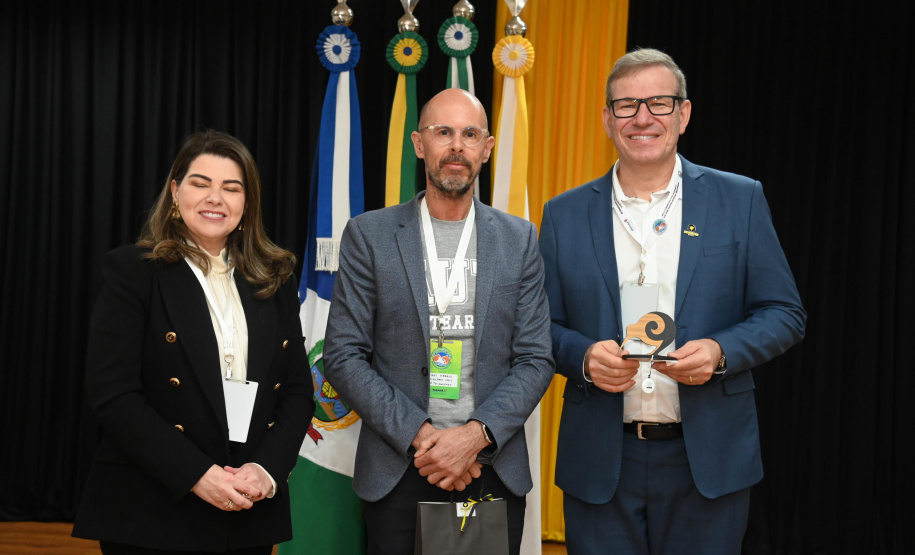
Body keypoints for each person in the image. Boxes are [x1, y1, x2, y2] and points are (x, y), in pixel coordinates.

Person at [539, 49, 806, 554]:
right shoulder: (563, 214)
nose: (643, 118)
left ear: (683, 114)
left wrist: (721, 353)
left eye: (659, 103)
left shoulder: (740, 199)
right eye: (626, 105)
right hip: (600, 459)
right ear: (606, 119)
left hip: (708, 459)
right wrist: (583, 357)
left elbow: (785, 314)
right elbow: (539, 327)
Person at [323, 88, 554, 555]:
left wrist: (472, 438)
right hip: (400, 467)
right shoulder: (370, 235)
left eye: (470, 134)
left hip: (488, 465)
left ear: (487, 148)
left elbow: (535, 358)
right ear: (418, 143)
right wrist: (424, 439)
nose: (457, 146)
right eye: (443, 132)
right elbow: (343, 355)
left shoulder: (519, 240)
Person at [73, 130, 315, 554]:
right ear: (174, 191)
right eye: (200, 183)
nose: (215, 198)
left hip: (247, 505)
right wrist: (197, 475)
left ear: (247, 202)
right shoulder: (133, 272)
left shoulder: (274, 281)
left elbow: (296, 391)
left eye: (231, 188)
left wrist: (266, 470)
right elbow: (113, 395)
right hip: (152, 508)